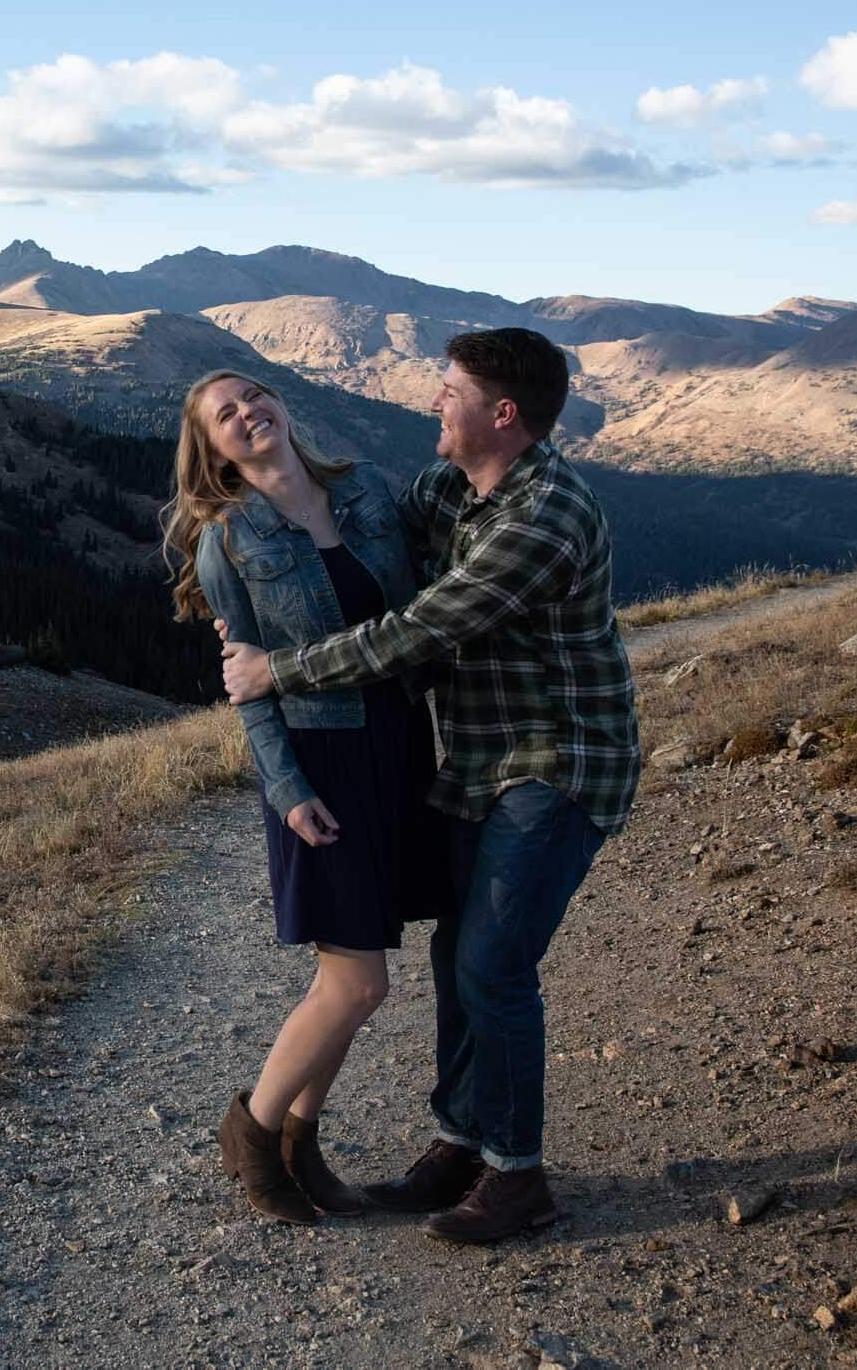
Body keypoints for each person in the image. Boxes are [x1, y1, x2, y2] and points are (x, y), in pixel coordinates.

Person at [219, 327, 640, 1245]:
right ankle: (461, 1143)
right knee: (458, 955)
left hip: (559, 760)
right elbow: (357, 526)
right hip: (478, 762)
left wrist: (274, 668)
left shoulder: (544, 517)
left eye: (447, 390)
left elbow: (414, 630)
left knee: (493, 961)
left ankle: (518, 1176)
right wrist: (242, 530)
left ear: (502, 414)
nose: (431, 403)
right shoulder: (455, 486)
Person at [162, 367, 448, 1226]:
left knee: (356, 977)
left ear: (281, 407)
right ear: (211, 448)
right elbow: (248, 684)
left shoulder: (362, 490)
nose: (249, 414)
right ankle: (251, 1132)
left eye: (255, 398)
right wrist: (285, 788)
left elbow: (424, 594)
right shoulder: (228, 538)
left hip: (397, 742)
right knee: (357, 985)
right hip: (319, 762)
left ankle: (300, 1140)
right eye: (227, 415)